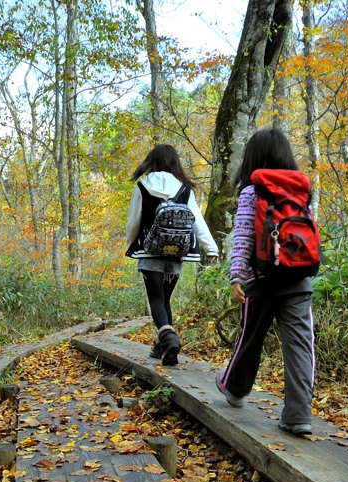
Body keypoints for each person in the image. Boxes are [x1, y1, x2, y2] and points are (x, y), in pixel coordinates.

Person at [216, 128, 317, 435]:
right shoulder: (302, 189)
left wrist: (237, 276)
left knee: (250, 338)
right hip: (299, 278)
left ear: (253, 158)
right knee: (301, 346)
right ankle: (298, 416)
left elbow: (244, 235)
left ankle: (233, 389)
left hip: (261, 279)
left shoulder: (252, 191)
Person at [126, 144, 219, 366]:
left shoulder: (143, 186)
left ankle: (168, 337)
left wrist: (131, 244)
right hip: (177, 253)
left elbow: (134, 221)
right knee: (165, 300)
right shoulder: (185, 189)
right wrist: (211, 248)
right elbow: (198, 221)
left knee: (156, 300)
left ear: (152, 161)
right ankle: (164, 348)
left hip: (150, 252)